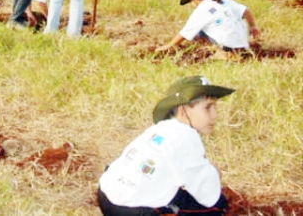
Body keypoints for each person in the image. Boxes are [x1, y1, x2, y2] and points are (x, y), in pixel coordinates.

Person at [97, 75, 233, 216]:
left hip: (106, 194)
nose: (215, 115)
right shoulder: (186, 137)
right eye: (208, 108)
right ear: (183, 111)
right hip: (133, 210)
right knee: (217, 208)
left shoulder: (160, 128)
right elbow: (207, 194)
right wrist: (214, 174)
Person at [156, 0, 260, 59]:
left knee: (197, 33)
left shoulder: (202, 9)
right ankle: (236, 51)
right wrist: (253, 27)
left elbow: (186, 32)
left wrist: (169, 46)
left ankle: (223, 53)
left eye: (190, 1)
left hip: (228, 44)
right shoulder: (222, 1)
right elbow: (245, 10)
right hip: (243, 42)